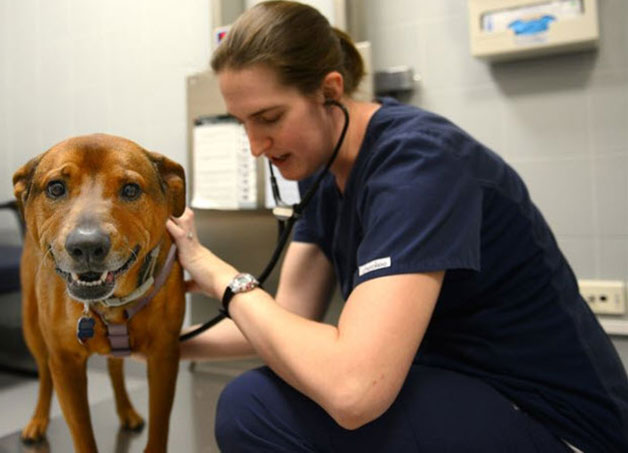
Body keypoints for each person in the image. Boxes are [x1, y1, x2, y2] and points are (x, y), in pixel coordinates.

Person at [166, 1, 628, 452]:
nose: (255, 145)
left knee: (255, 407)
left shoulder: (419, 163)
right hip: (461, 396)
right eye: (242, 123)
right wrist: (155, 343)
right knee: (275, 388)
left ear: (330, 90)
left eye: (269, 118)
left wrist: (218, 275)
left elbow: (355, 389)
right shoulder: (321, 176)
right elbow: (287, 318)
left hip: (554, 422)